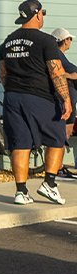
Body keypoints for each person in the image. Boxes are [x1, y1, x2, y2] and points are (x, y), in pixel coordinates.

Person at [0, 1, 72, 205]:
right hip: (40, 97)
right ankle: (49, 183)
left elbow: (3, 75)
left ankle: (21, 191)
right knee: (57, 139)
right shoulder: (45, 41)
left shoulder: (7, 42)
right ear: (37, 15)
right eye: (43, 14)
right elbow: (56, 72)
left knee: (20, 144)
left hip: (12, 97)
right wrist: (66, 99)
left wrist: (14, 93)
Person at [51, 27, 77, 178]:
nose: (70, 42)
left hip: (68, 98)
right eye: (69, 39)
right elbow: (61, 73)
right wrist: (69, 75)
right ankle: (58, 167)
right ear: (64, 41)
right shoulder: (58, 56)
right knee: (63, 134)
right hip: (65, 99)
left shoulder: (60, 56)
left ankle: (57, 166)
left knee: (64, 133)